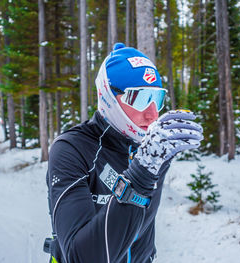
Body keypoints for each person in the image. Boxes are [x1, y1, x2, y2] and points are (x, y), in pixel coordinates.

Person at [45, 43, 203, 263]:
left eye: (157, 99)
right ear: (107, 96)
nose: (153, 114)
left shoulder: (152, 147)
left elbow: (140, 225)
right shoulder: (71, 149)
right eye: (139, 98)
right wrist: (140, 175)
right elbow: (80, 258)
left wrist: (152, 165)